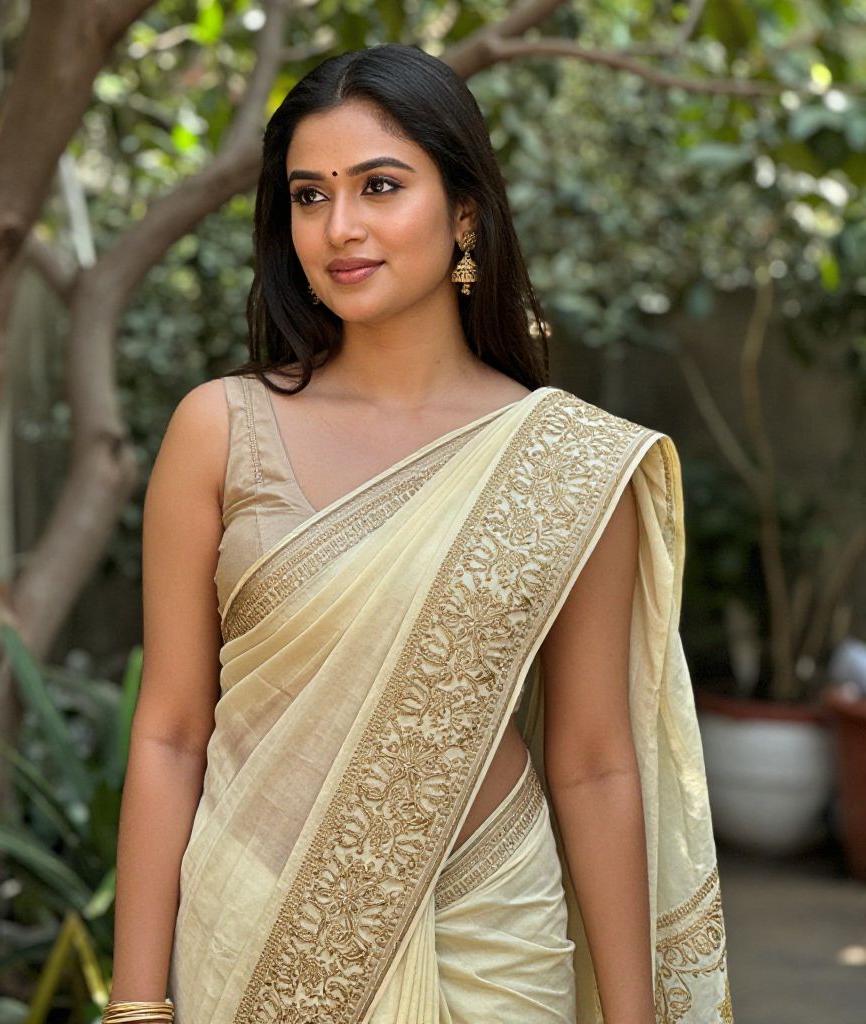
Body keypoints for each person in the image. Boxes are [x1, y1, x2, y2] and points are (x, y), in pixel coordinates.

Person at [104, 43, 733, 1024]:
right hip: (268, 929)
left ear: (466, 213)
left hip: (496, 933)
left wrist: (632, 1014)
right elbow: (171, 733)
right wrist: (135, 1009)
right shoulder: (220, 429)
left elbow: (595, 756)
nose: (339, 227)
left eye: (379, 186)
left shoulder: (564, 461)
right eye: (309, 196)